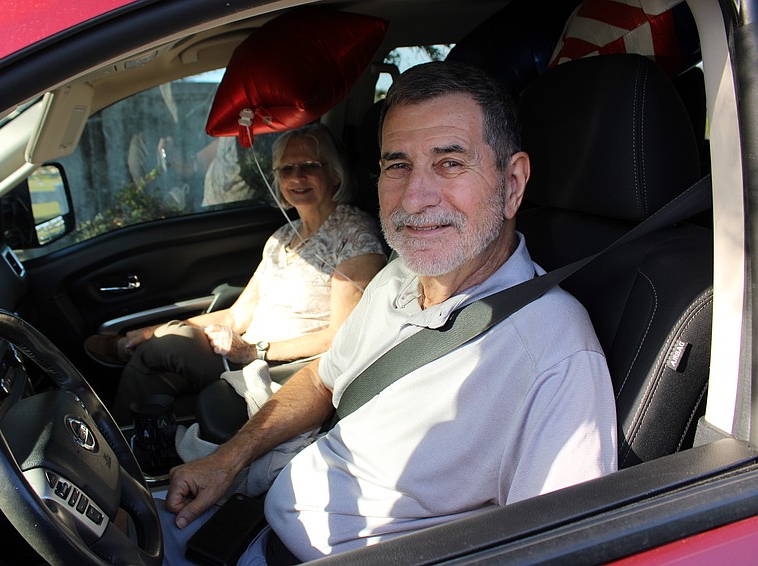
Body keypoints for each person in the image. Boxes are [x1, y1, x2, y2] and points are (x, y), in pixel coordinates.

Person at [159, 61, 618, 563]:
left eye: (449, 163)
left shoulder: (553, 351)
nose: (415, 198)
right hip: (253, 523)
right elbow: (322, 380)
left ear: (512, 184)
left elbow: (557, 550)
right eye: (398, 165)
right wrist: (227, 461)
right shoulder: (397, 277)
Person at [86, 123, 387, 423]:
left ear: (334, 172)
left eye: (309, 165)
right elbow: (236, 316)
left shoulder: (355, 234)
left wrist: (254, 351)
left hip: (282, 367)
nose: (297, 177)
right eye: (286, 169)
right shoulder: (283, 235)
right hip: (241, 352)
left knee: (166, 348)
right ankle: (131, 440)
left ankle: (115, 444)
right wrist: (154, 329)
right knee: (155, 367)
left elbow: (342, 337)